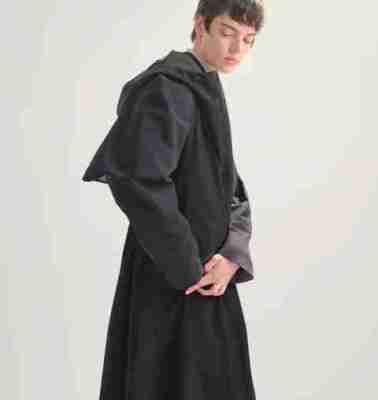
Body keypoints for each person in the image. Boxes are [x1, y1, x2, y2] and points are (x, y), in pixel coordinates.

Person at [82, 1, 265, 399]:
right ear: (200, 25)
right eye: (227, 32)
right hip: (173, 277)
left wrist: (232, 255)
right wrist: (187, 266)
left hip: (212, 275)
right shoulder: (167, 87)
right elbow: (137, 178)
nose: (237, 48)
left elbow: (227, 183)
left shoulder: (205, 84)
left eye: (248, 39)